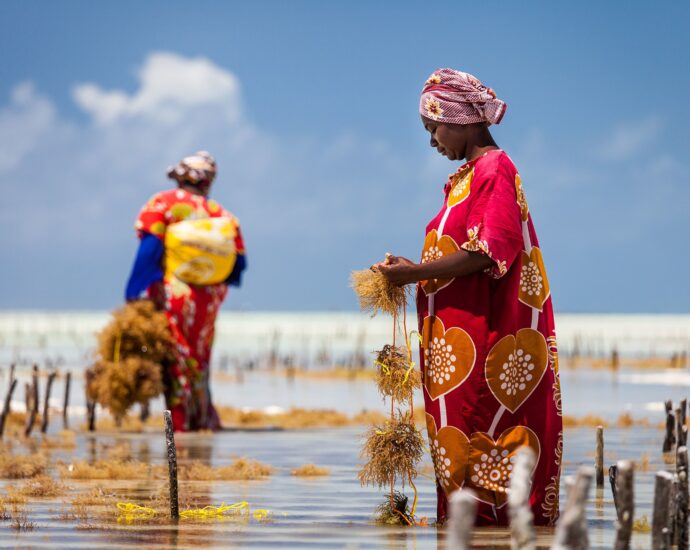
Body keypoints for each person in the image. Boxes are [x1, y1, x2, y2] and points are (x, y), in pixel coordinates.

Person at [377, 69, 562, 526]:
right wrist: (415, 268)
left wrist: (416, 273)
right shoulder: (467, 177)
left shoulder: (495, 169)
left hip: (486, 341)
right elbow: (462, 250)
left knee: (485, 436)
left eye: (432, 128)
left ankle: (489, 532)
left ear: (461, 119)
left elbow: (488, 252)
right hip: (458, 346)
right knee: (458, 445)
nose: (433, 141)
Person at [125, 151, 246, 432]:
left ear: (180, 176)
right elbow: (238, 266)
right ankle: (202, 421)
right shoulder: (222, 215)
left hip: (174, 295)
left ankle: (179, 427)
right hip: (209, 298)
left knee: (177, 360)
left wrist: (133, 294)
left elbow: (149, 251)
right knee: (199, 360)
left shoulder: (162, 203)